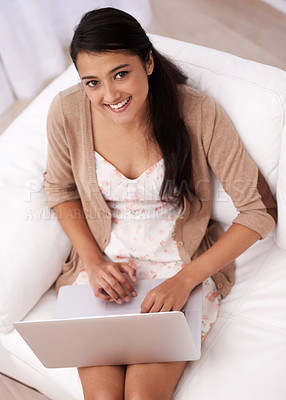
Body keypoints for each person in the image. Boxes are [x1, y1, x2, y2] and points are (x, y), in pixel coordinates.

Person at [43, 7, 277, 400]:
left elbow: (259, 210)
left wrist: (185, 281)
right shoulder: (67, 111)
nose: (110, 95)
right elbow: (60, 191)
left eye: (121, 73)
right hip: (105, 267)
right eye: (92, 83)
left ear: (147, 61)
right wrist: (95, 262)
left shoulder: (197, 112)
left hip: (178, 264)